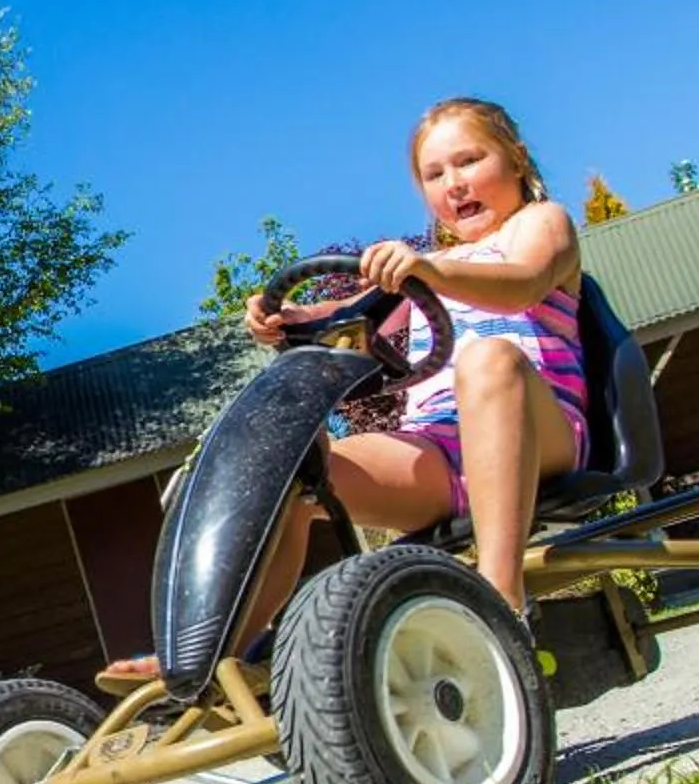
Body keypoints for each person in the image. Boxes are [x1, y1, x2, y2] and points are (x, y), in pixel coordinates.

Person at [106, 94, 586, 686]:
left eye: (469, 161)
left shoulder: (540, 225)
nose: (454, 184)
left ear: (516, 160)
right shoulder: (427, 266)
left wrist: (429, 272)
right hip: (440, 448)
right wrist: (284, 319)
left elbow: (523, 282)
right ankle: (216, 662)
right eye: (435, 174)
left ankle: (499, 608)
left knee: (488, 360)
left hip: (543, 433)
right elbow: (343, 309)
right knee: (292, 470)